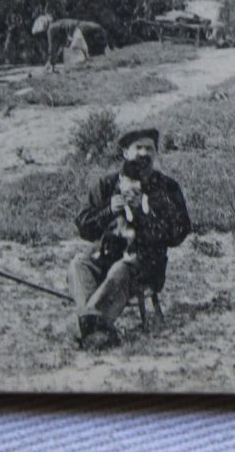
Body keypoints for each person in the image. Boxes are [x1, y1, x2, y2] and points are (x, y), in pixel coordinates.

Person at [67, 127, 192, 344]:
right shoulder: (106, 184)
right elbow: (84, 228)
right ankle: (95, 327)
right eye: (138, 148)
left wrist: (144, 216)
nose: (144, 153)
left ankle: (85, 326)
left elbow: (179, 232)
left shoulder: (167, 187)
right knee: (79, 264)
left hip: (146, 264)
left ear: (155, 154)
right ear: (125, 152)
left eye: (149, 149)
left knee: (121, 269)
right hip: (105, 256)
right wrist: (108, 211)